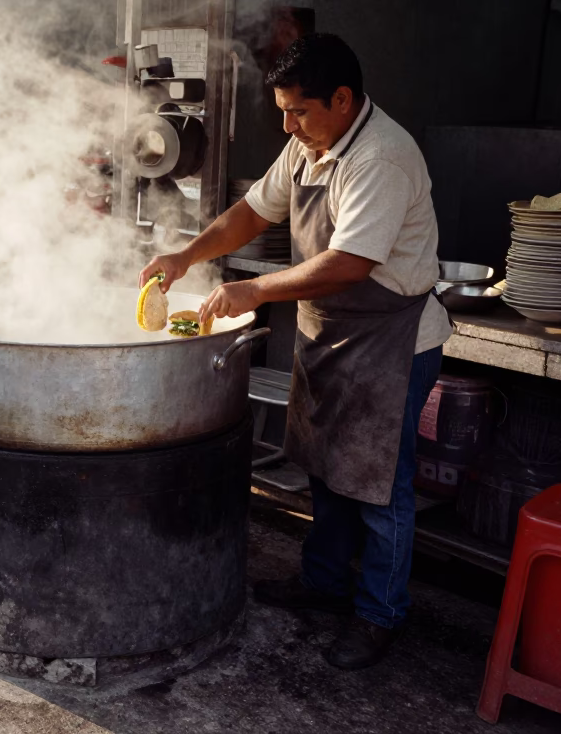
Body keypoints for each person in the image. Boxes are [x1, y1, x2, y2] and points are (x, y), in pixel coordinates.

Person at [140, 34, 451, 671]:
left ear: (342, 100)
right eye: (282, 111)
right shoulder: (309, 145)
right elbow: (252, 214)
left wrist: (251, 287)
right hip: (332, 332)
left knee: (380, 488)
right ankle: (324, 583)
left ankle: (379, 616)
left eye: (299, 111)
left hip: (391, 342)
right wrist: (185, 256)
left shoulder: (381, 158)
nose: (288, 125)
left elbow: (349, 262)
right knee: (325, 467)